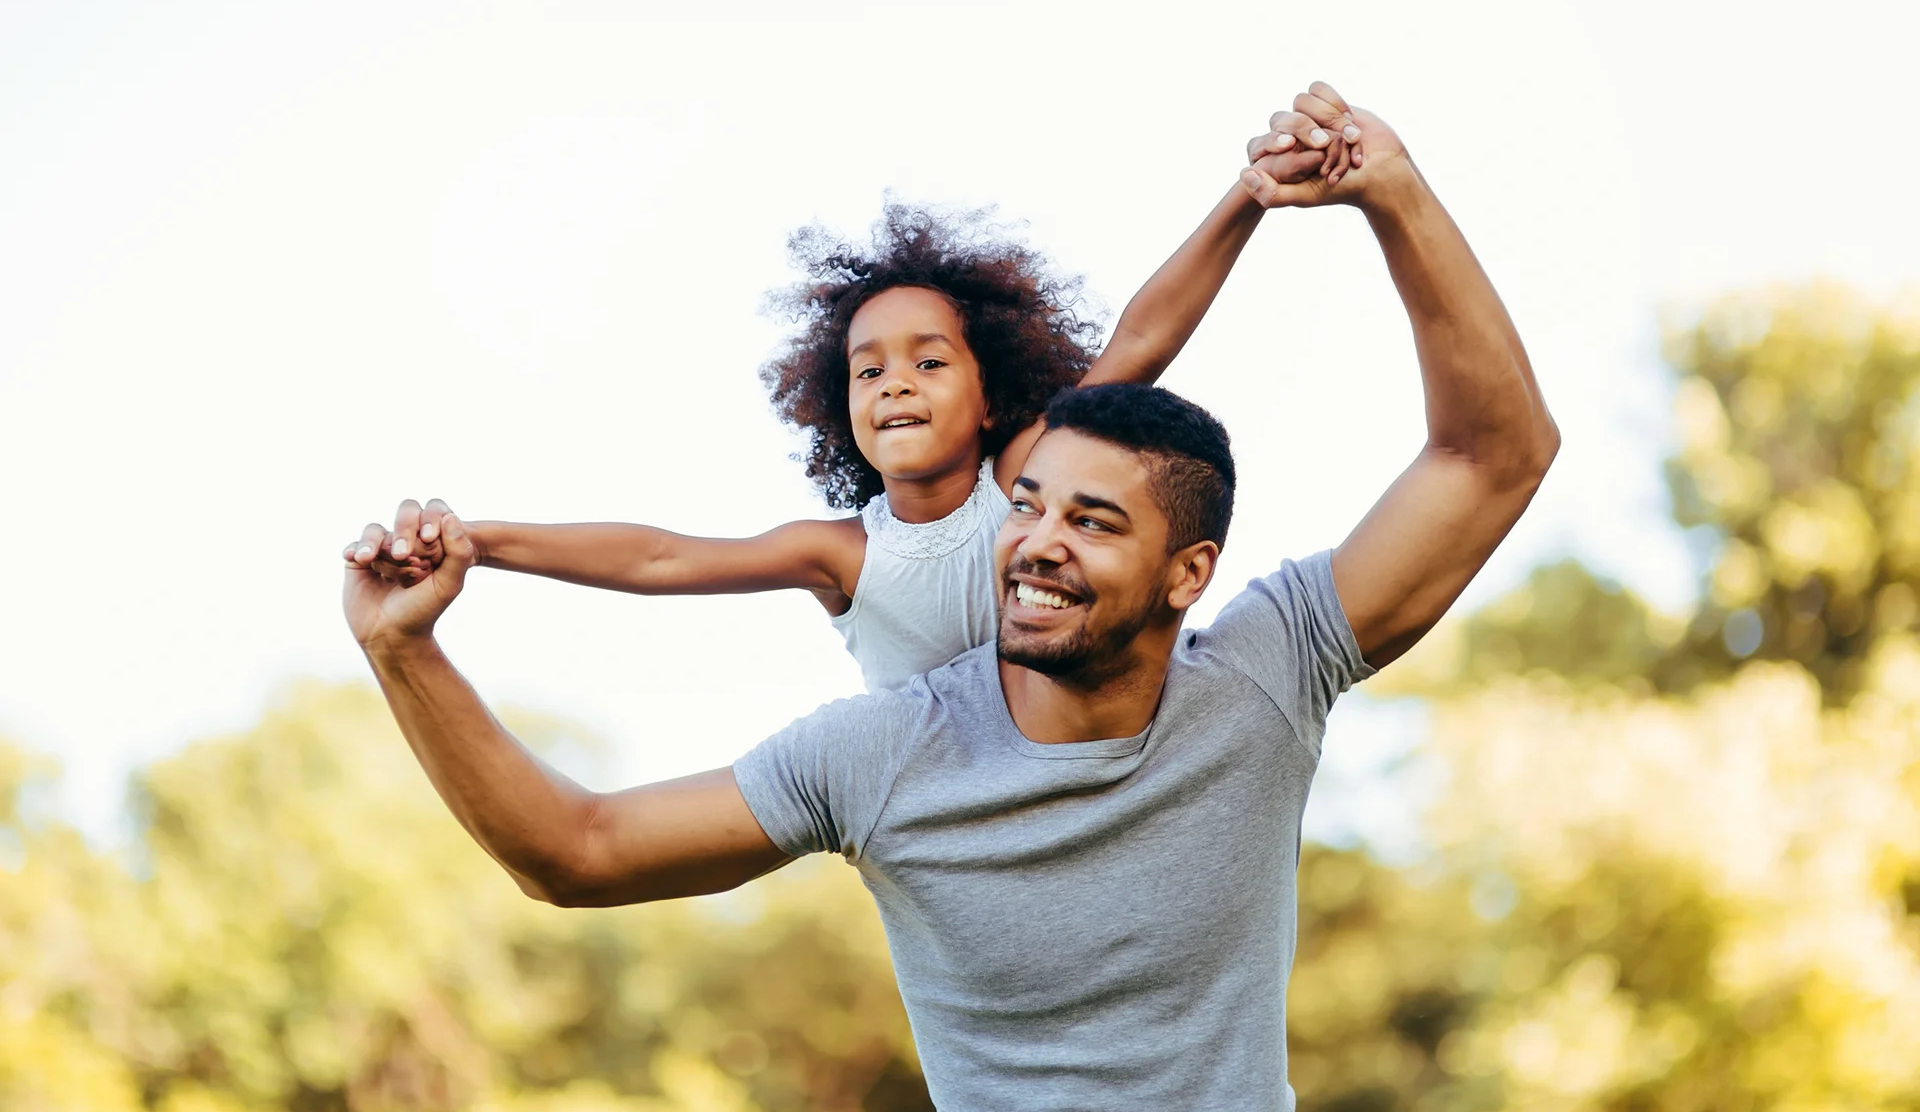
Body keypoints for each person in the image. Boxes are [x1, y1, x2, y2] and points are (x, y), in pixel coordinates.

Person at [343, 83, 1558, 1112]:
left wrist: (1388, 192)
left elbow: (1494, 452)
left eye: (1091, 520)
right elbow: (580, 848)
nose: (1034, 539)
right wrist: (409, 646)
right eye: (1031, 506)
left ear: (1189, 572)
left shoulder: (1266, 672)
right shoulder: (883, 750)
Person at [345, 109, 1359, 693]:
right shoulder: (844, 553)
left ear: (993, 391)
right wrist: (477, 538)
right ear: (843, 409)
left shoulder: (1020, 481)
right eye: (869, 370)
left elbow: (1140, 339)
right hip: (955, 798)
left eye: (928, 362)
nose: (896, 383)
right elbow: (661, 556)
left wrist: (1246, 198)